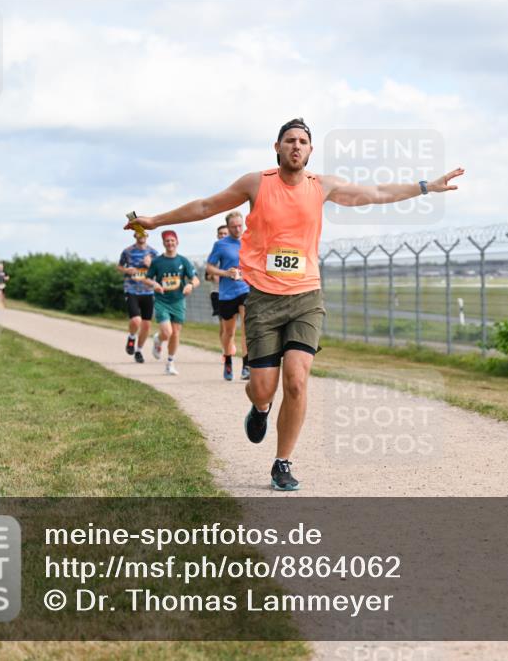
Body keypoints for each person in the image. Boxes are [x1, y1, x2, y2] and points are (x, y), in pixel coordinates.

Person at [126, 118, 463, 491]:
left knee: (298, 381)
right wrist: (157, 220)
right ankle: (260, 409)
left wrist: (425, 187)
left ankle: (282, 462)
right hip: (264, 300)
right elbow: (207, 205)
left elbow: (377, 192)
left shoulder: (322, 186)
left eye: (303, 141)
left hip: (306, 296)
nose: (296, 146)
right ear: (277, 147)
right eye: (290, 140)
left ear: (310, 150)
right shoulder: (256, 183)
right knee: (262, 388)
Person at [142, 230, 199, 375]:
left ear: (177, 242)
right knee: (167, 332)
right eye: (167, 241)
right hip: (162, 301)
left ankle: (170, 363)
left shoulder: (183, 261)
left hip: (178, 301)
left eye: (172, 240)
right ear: (163, 243)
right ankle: (158, 339)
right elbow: (147, 278)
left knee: (175, 334)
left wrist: (190, 285)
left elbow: (195, 279)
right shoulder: (157, 262)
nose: (170, 243)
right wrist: (154, 284)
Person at [207, 211, 251, 381]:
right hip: (226, 293)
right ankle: (228, 360)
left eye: (240, 225)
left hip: (245, 289)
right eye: (233, 227)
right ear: (228, 226)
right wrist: (225, 273)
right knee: (229, 332)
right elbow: (210, 268)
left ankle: (246, 366)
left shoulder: (249, 240)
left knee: (247, 329)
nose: (237, 229)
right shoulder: (220, 245)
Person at [116, 231, 159, 363]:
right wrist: (126, 270)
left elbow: (158, 270)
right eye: (139, 234)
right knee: (136, 321)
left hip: (148, 291)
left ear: (147, 236)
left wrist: (150, 264)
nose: (142, 236)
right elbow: (119, 266)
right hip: (131, 289)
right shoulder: (127, 251)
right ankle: (132, 337)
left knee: (146, 325)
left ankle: (139, 351)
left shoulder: (153, 252)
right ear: (135, 236)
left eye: (144, 234)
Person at [208, 223, 229, 323]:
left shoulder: (235, 251)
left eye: (225, 234)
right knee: (224, 324)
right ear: (217, 236)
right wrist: (214, 274)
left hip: (233, 291)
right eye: (221, 234)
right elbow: (207, 276)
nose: (223, 236)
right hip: (217, 292)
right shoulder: (214, 253)